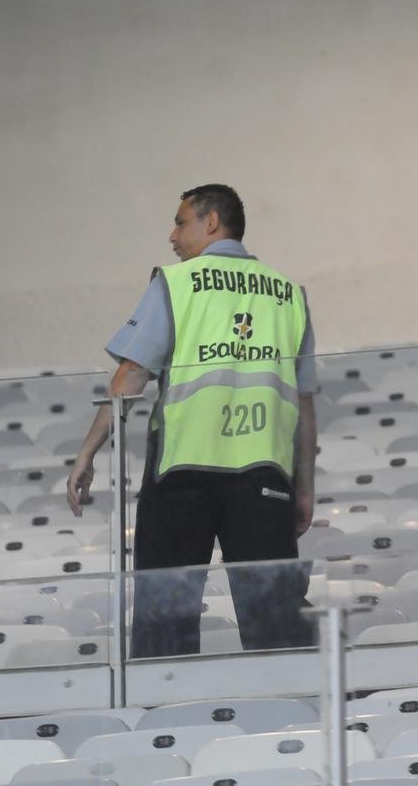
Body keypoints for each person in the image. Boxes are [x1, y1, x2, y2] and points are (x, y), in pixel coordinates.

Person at [66, 184, 317, 657]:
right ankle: (292, 721)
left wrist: (87, 453)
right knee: (277, 627)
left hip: (181, 472)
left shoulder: (178, 283)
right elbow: (303, 405)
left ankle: (163, 719)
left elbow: (131, 377)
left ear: (212, 222)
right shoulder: (289, 294)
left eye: (180, 222)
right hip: (266, 474)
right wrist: (304, 486)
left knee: (166, 628)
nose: (172, 235)